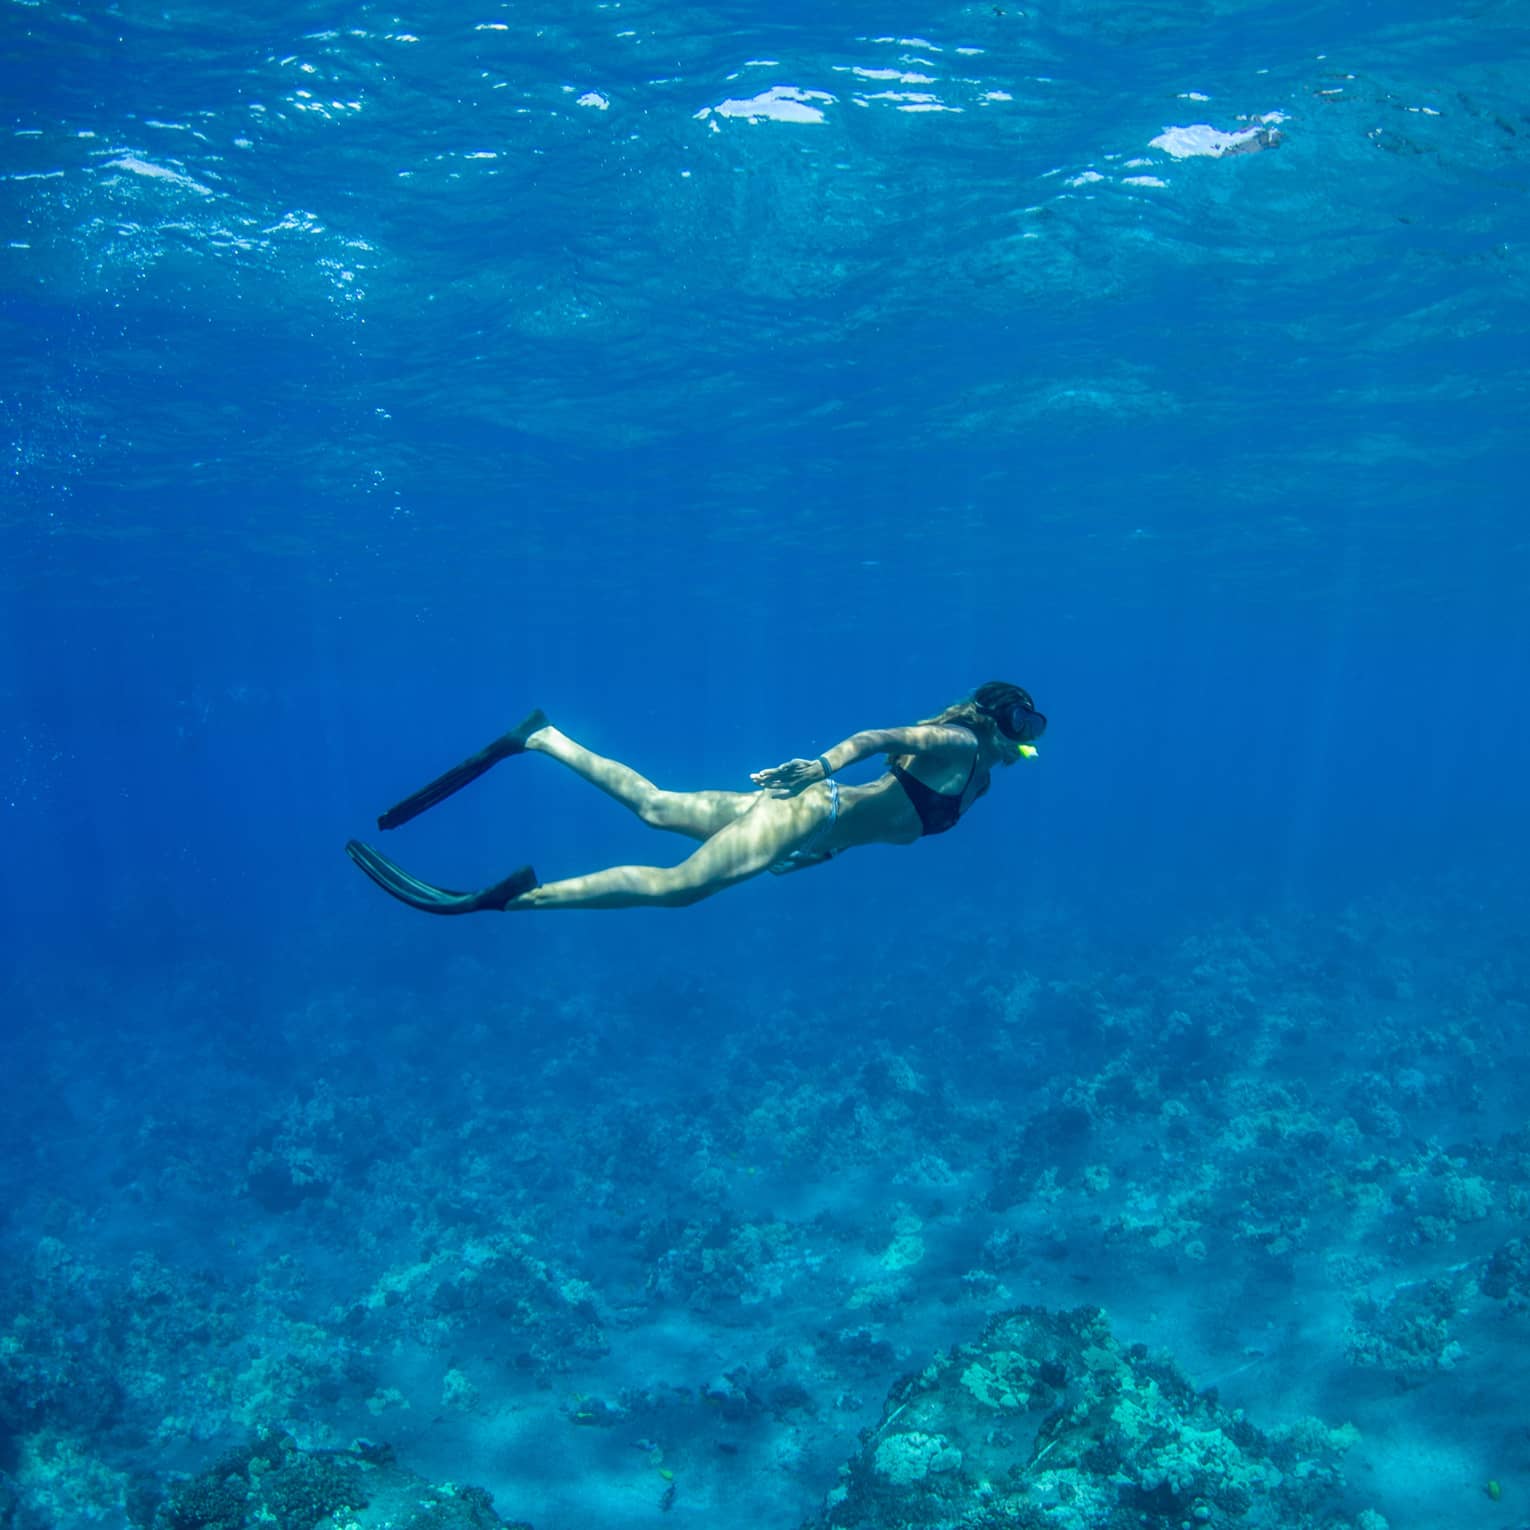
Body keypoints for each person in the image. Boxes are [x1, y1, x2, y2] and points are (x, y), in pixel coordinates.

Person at [345, 681, 1045, 914]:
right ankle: (514, 901)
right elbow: (871, 738)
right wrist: (817, 766)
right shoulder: (958, 746)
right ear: (997, 719)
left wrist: (822, 850)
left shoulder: (979, 777)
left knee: (654, 807)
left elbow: (883, 812)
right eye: (1024, 725)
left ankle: (543, 739)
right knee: (678, 889)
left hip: (815, 825)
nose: (1028, 740)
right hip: (809, 807)